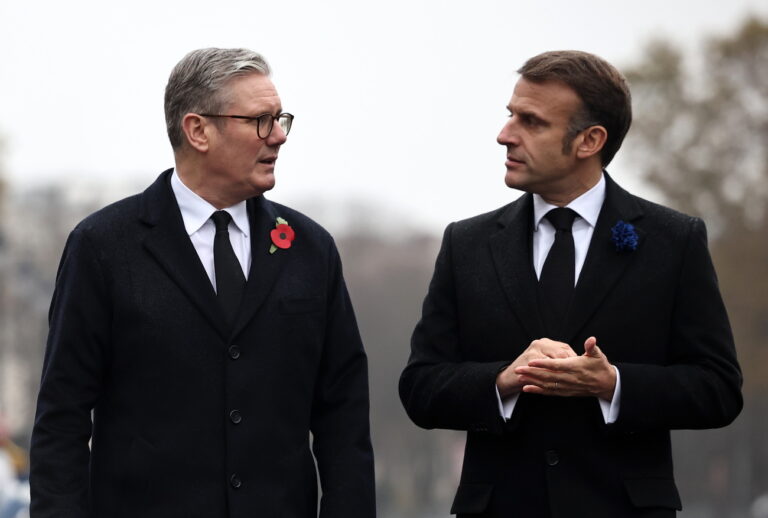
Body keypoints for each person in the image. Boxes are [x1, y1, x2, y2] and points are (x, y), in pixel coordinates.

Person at [30, 48, 375, 518]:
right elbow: (62, 418)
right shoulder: (102, 247)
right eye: (259, 120)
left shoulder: (311, 250)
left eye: (280, 119)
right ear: (197, 130)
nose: (277, 136)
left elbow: (344, 416)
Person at [399, 50, 742, 517]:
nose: (505, 135)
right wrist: (504, 379)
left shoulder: (673, 241)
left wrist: (613, 384)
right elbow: (420, 388)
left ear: (590, 140)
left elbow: (718, 390)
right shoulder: (468, 243)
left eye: (531, 122)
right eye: (510, 116)